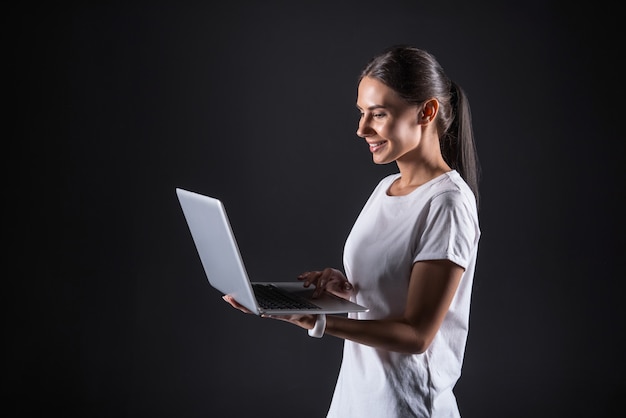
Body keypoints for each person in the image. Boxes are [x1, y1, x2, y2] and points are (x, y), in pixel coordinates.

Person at [224, 45, 481, 418]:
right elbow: (388, 288)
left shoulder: (448, 203)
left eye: (378, 114)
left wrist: (319, 321)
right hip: (356, 399)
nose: (362, 129)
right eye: (362, 113)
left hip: (405, 408)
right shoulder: (385, 189)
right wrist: (344, 288)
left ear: (427, 112)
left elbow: (417, 335)